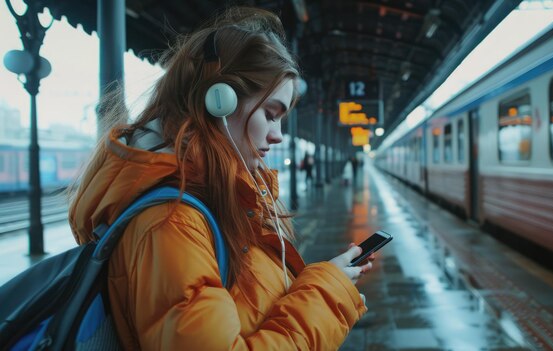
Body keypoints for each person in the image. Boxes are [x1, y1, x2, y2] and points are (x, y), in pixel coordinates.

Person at [68, 7, 373, 350]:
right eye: (271, 115)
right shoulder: (173, 223)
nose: (279, 136)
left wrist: (326, 280)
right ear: (220, 102)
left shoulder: (221, 196)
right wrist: (327, 293)